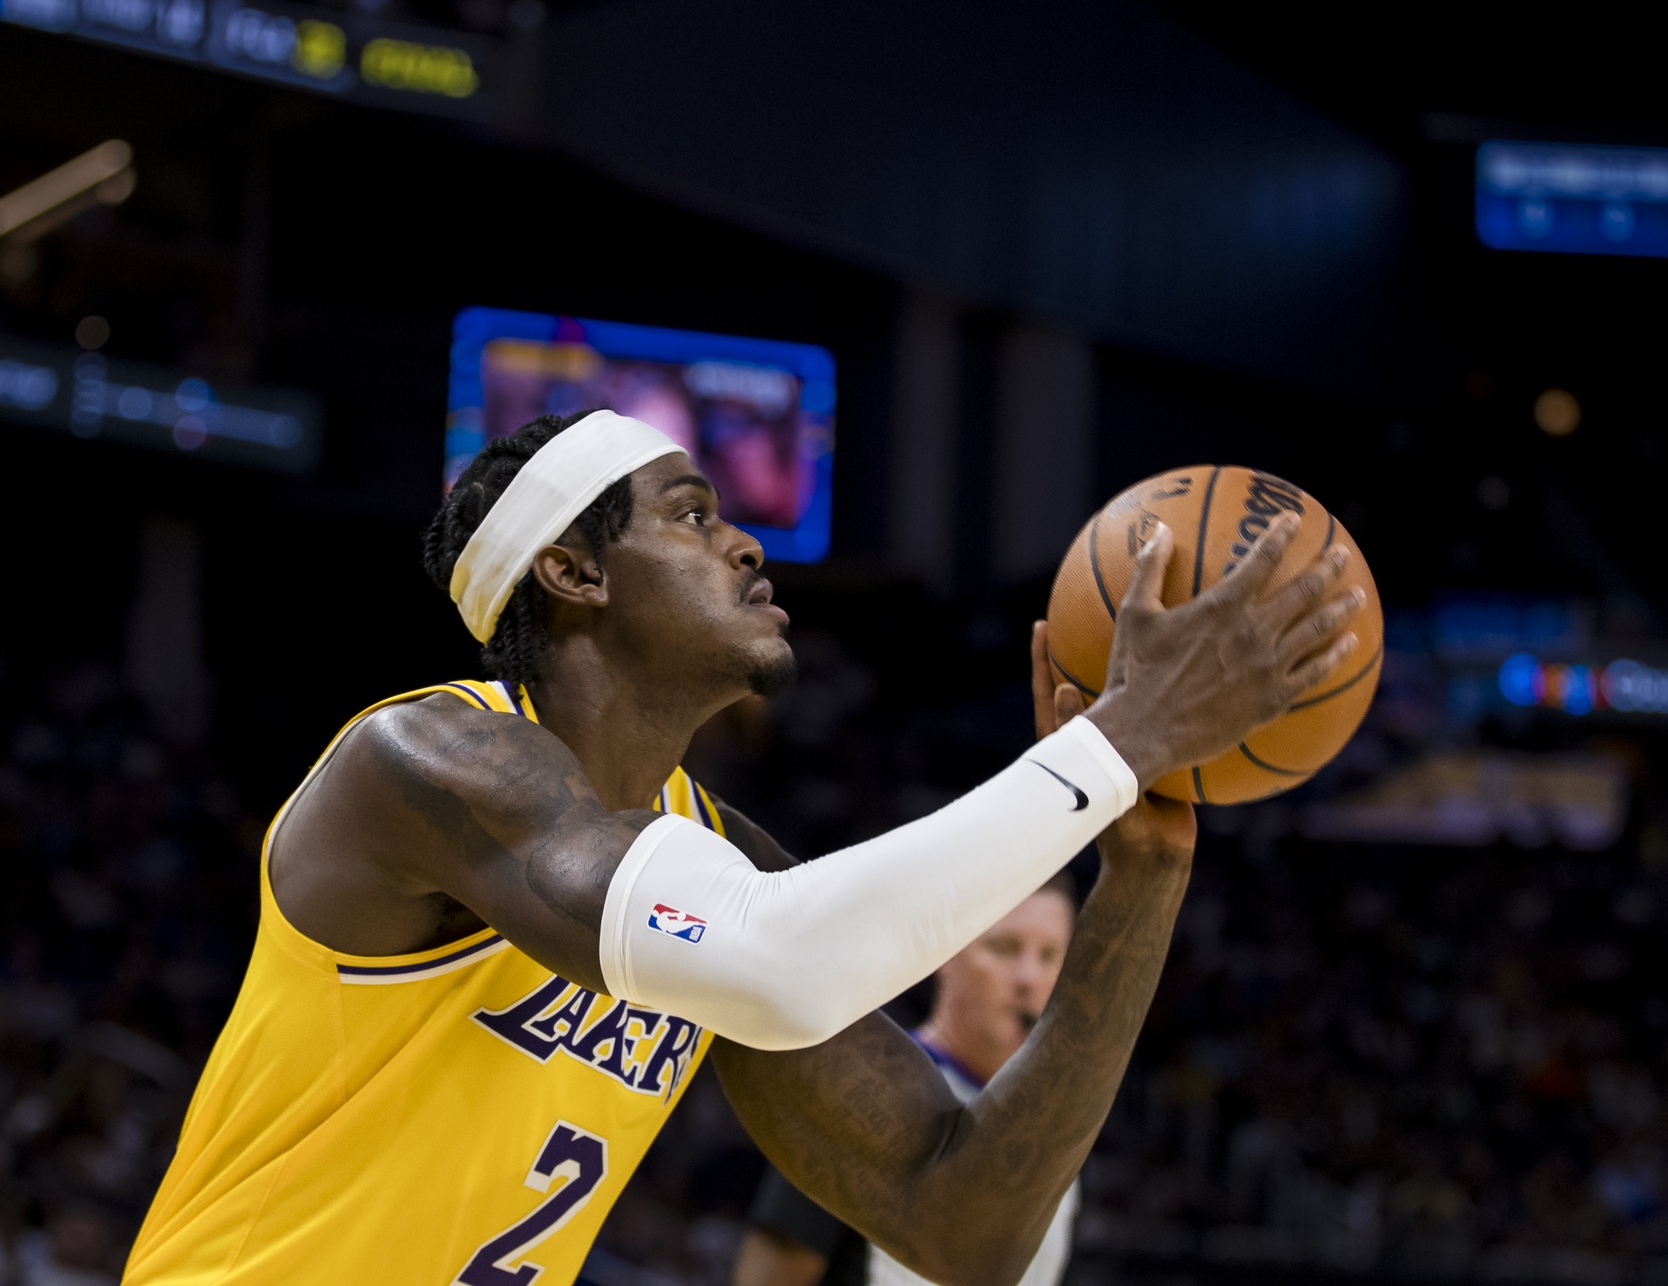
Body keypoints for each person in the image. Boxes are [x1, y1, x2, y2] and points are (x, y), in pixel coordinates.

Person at [125, 408, 1363, 1285]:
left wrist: (1139, 869)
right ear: (572, 570)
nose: (747, 542)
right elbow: (782, 964)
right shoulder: (423, 764)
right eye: (691, 514)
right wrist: (1117, 743)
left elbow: (963, 1229)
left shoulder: (717, 856)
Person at [735, 874, 1082, 1286]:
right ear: (944, 951)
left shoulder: (1061, 1120)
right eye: (1004, 948)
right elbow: (772, 1272)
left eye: (1050, 955)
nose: (1029, 978)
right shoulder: (860, 1093)